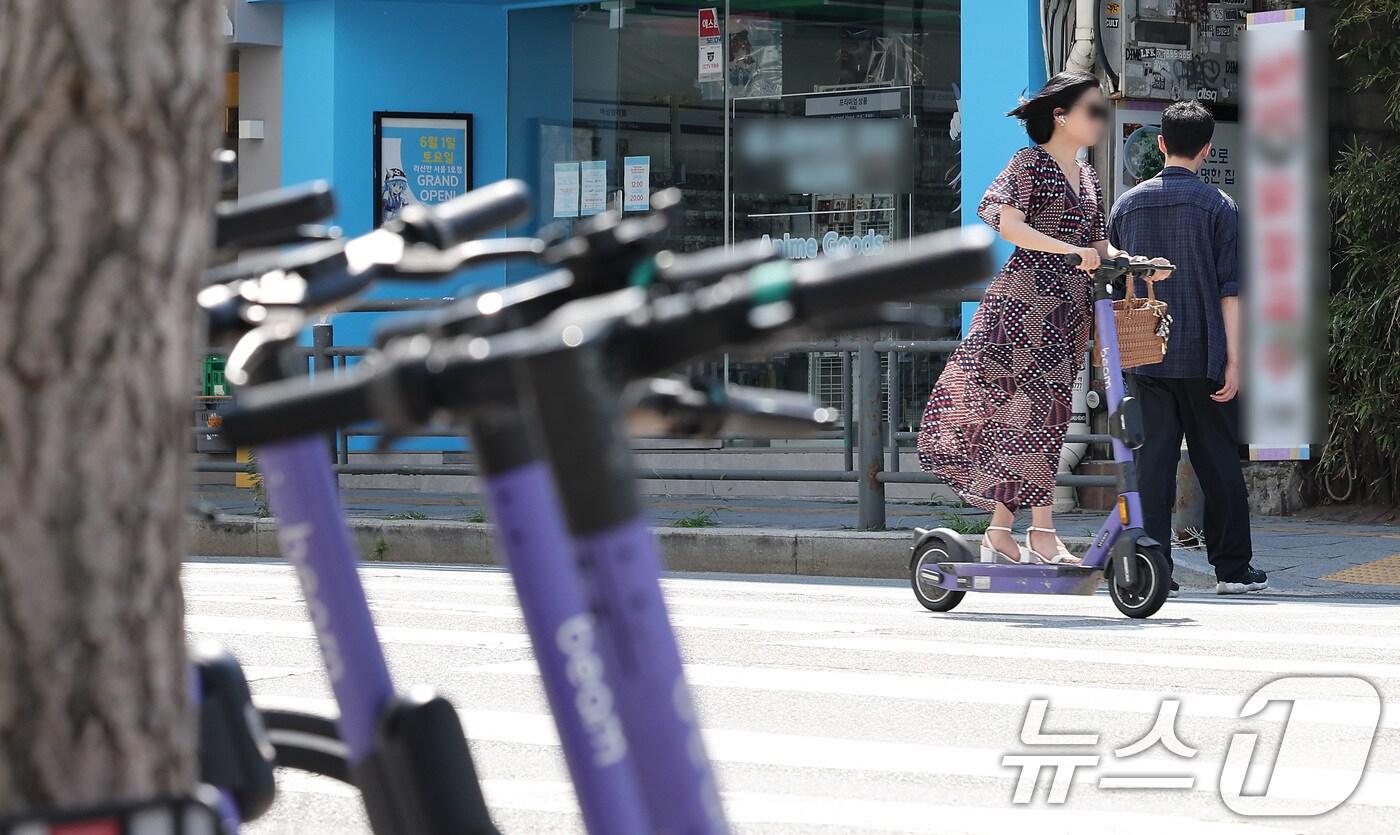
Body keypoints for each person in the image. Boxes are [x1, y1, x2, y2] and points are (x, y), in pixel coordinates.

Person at [917, 72, 1165, 565]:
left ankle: (1000, 530)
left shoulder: (1089, 175)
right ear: (1060, 116)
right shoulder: (1029, 163)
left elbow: (1098, 245)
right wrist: (1069, 250)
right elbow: (1009, 225)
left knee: (1033, 419)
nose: (1099, 119)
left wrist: (1136, 261)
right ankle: (1043, 531)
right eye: (1093, 111)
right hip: (1025, 306)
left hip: (1069, 310)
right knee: (1039, 418)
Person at [1107, 100, 1267, 596]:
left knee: (1152, 463)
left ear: (1159, 145)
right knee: (1217, 460)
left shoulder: (1126, 205)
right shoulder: (1219, 206)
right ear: (1207, 149)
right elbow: (1230, 290)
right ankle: (1233, 570)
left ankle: (1157, 570)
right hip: (1205, 355)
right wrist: (1235, 361)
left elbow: (1114, 286)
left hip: (1145, 353)